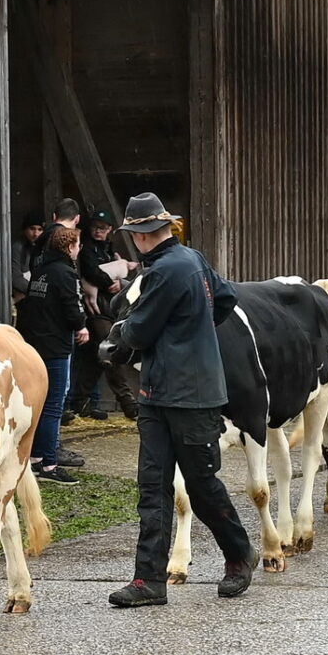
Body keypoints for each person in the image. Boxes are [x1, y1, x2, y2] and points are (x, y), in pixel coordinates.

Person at [97, 193, 257, 608]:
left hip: (185, 395)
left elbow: (140, 330)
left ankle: (240, 554)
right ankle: (149, 579)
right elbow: (225, 299)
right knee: (155, 484)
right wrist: (194, 332)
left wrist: (115, 344)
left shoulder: (165, 271)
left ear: (140, 234)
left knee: (199, 485)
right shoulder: (194, 259)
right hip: (167, 391)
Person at [14, 224, 85, 484]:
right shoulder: (66, 273)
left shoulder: (40, 271)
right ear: (69, 247)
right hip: (56, 345)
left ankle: (33, 458)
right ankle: (49, 464)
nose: (79, 250)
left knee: (37, 403)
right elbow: (72, 306)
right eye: (77, 245)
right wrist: (81, 326)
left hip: (34, 343)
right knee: (54, 404)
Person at [71, 208, 139, 421]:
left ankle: (81, 401)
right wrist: (111, 281)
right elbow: (90, 270)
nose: (98, 231)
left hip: (107, 306)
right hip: (97, 309)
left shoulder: (109, 249)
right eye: (95, 228)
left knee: (95, 357)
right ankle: (128, 401)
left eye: (102, 228)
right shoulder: (87, 248)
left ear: (109, 230)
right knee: (110, 350)